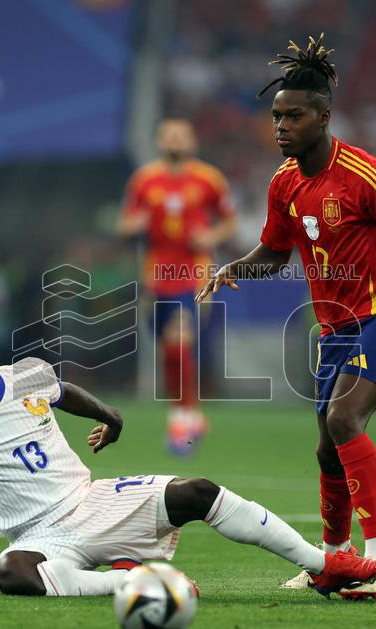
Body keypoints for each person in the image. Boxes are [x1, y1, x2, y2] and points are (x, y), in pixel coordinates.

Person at [0, 319, 376, 598]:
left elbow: (64, 390)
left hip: (93, 501)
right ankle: (134, 583)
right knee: (10, 574)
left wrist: (110, 418)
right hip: (39, 535)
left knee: (199, 491)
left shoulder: (26, 375)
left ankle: (325, 565)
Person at [196, 34, 376, 598]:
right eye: (276, 117)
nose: (281, 126)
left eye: (294, 116)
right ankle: (336, 560)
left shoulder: (367, 175)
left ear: (324, 116)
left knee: (343, 420)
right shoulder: (284, 182)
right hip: (335, 326)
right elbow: (276, 253)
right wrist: (233, 268)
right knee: (328, 447)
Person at [118, 119, 237, 454]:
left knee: (180, 338)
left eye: (181, 135)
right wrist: (134, 225)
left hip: (194, 275)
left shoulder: (208, 179)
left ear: (192, 140)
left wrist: (211, 236)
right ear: (159, 141)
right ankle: (188, 412)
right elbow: (124, 223)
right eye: (169, 135)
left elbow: (229, 221)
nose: (175, 140)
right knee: (169, 350)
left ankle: (181, 416)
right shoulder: (144, 180)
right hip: (156, 277)